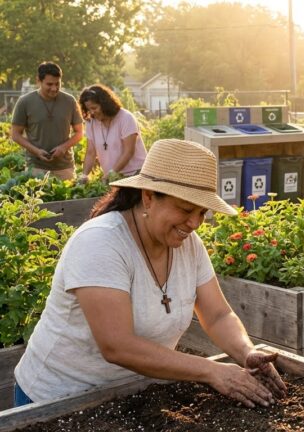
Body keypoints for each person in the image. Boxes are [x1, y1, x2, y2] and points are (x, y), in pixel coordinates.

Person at [14, 139, 287, 408]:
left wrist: (246, 352)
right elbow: (117, 345)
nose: (195, 223)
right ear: (148, 197)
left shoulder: (188, 246)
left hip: (133, 395)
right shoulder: (101, 242)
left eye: (202, 212)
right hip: (57, 401)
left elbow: (217, 315)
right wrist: (211, 370)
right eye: (185, 209)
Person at [10, 62, 84, 180]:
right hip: (36, 167)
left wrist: (63, 147)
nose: (54, 88)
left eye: (57, 84)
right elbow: (15, 134)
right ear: (38, 81)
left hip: (65, 167)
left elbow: (79, 133)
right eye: (49, 84)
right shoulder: (25, 102)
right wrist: (36, 151)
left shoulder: (70, 101)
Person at [78, 84, 147, 182]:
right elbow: (91, 152)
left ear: (105, 104)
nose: (92, 112)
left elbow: (128, 152)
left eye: (94, 108)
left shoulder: (126, 118)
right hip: (113, 177)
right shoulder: (92, 122)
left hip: (135, 174)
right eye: (88, 110)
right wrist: (84, 175)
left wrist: (112, 173)